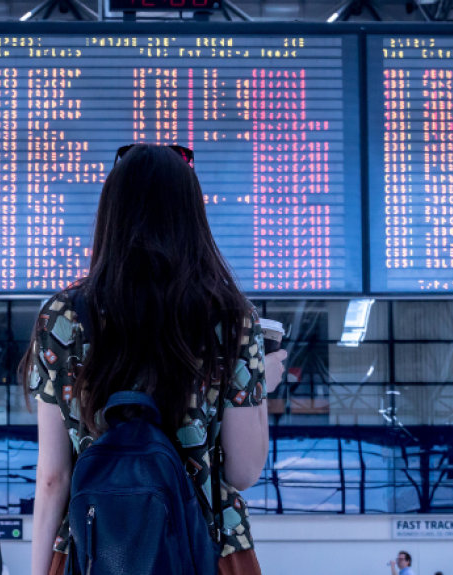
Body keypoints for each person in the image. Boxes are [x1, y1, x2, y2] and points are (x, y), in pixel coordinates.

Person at [20, 144, 288, 575]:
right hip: (209, 548)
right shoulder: (231, 317)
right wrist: (261, 385)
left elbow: (53, 478)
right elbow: (242, 470)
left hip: (94, 550)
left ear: (111, 214)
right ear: (190, 216)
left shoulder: (62, 317)